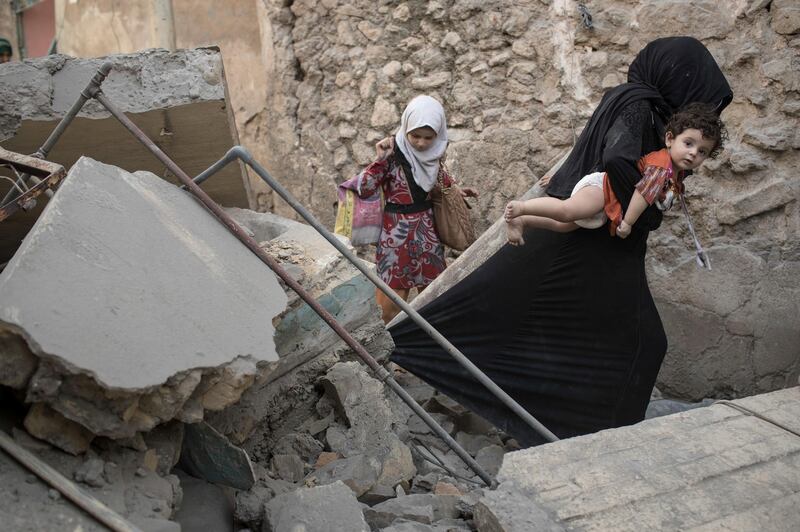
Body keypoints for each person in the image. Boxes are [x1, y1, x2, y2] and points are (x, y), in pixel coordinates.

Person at [388, 37, 733, 447]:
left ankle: (582, 432)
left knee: (605, 337)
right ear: (678, 76)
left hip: (601, 247)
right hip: (591, 241)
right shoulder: (639, 106)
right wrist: (648, 215)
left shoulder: (654, 116)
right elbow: (619, 161)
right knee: (627, 338)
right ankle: (595, 435)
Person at [504, 102, 726, 243]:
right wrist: (628, 223)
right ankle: (521, 207)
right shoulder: (661, 166)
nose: (693, 153)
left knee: (564, 226)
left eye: (702, 151)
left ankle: (523, 221)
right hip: (602, 190)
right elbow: (642, 195)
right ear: (669, 139)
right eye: (688, 144)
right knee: (567, 211)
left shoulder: (674, 174)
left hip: (609, 203)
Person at [354, 95, 477, 323]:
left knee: (433, 298)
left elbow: (437, 179)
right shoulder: (391, 153)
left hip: (426, 232)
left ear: (438, 133)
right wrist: (379, 160)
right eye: (415, 136)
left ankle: (430, 349)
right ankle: (385, 352)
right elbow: (365, 186)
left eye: (428, 137)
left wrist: (455, 190)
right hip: (395, 236)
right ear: (406, 127)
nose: (421, 143)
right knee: (390, 304)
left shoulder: (435, 154)